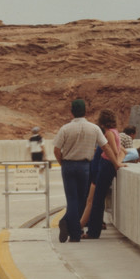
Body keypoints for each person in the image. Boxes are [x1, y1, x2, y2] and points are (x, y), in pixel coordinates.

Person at [52, 100, 103, 244]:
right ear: (85, 111)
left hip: (68, 165)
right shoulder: (94, 128)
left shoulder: (65, 129)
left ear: (72, 111)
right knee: (81, 200)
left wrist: (63, 163)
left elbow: (56, 149)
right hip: (84, 166)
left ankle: (70, 228)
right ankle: (72, 231)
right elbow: (104, 145)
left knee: (72, 200)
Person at [79, 109, 127, 238]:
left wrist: (116, 164)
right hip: (106, 166)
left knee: (98, 200)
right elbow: (121, 151)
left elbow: (114, 151)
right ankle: (91, 230)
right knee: (97, 200)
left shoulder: (109, 133)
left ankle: (93, 232)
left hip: (106, 166)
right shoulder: (115, 132)